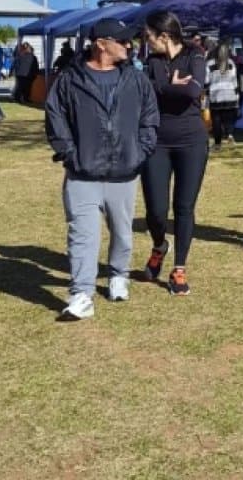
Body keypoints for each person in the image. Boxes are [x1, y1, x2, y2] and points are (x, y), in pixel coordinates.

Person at [45, 18, 159, 320]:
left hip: (124, 172)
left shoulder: (136, 79)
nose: (129, 45)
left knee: (122, 232)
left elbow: (150, 117)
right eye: (122, 41)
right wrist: (69, 153)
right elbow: (55, 116)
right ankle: (82, 294)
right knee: (82, 234)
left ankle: (118, 274)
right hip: (82, 173)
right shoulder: (70, 79)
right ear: (101, 44)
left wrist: (141, 151)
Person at [141, 10, 209, 296]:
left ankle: (179, 268)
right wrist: (169, 87)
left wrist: (161, 89)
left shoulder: (195, 56)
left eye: (149, 36)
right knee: (156, 210)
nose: (146, 41)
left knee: (184, 207)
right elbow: (143, 91)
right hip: (157, 142)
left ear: (164, 36)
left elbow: (192, 91)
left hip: (192, 142)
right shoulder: (152, 61)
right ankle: (159, 245)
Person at [207, 42, 240, 150]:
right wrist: (237, 94)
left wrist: (206, 89)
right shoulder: (231, 63)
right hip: (230, 94)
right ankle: (230, 134)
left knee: (216, 120)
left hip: (216, 96)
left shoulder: (210, 64)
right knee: (228, 118)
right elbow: (235, 80)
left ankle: (217, 144)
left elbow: (206, 80)